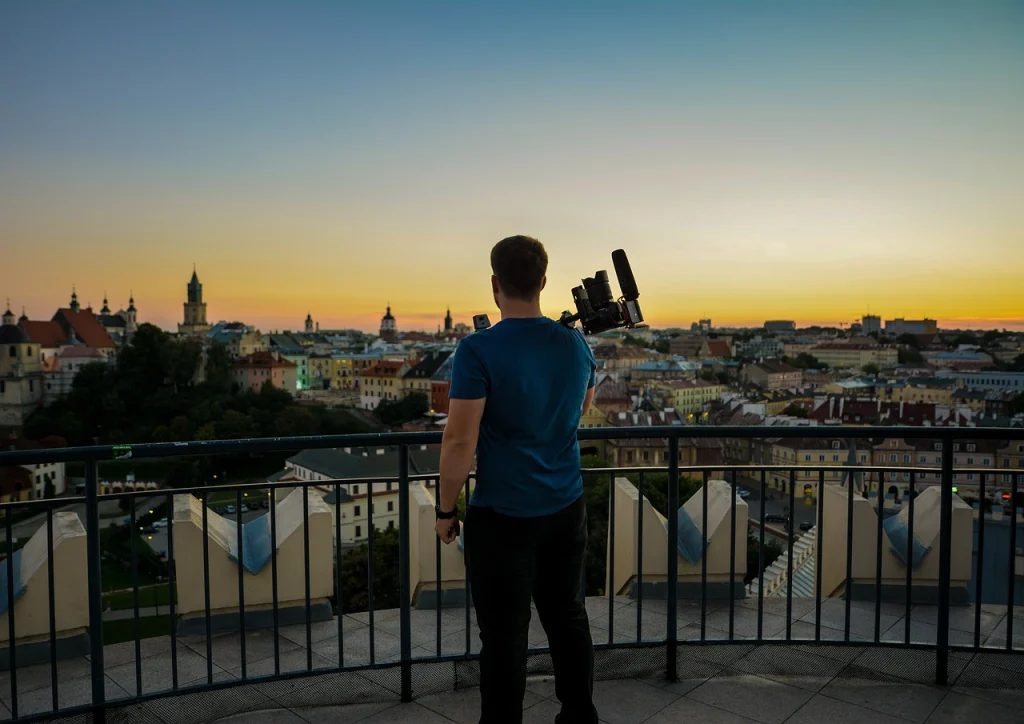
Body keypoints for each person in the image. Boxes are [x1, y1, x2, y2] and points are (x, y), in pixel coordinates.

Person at [434, 235, 599, 724]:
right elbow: (580, 412)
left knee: (505, 636)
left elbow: (459, 441)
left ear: (494, 285)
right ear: (543, 282)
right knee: (568, 618)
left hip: (504, 513)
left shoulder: (478, 349)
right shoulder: (575, 343)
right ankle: (578, 715)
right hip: (566, 506)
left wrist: (447, 511)